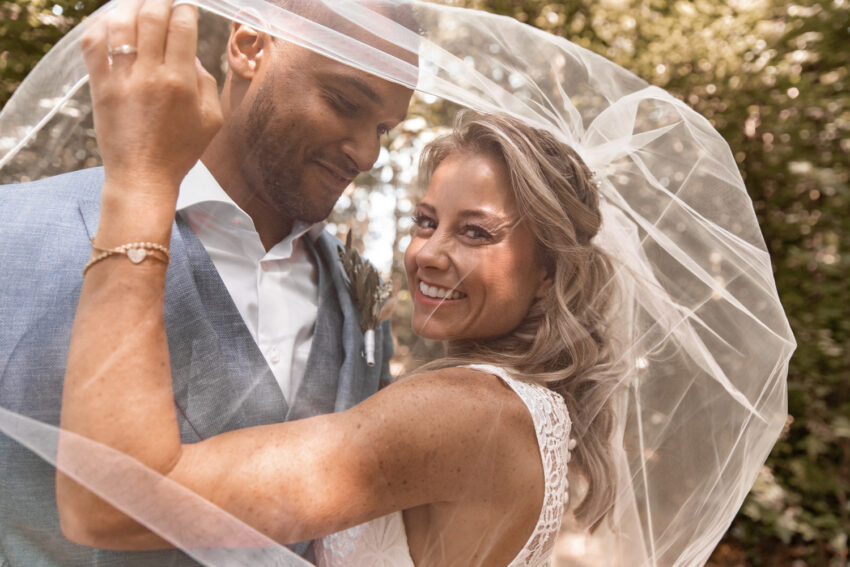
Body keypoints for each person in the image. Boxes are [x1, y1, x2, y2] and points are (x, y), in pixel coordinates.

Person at [53, 1, 623, 564]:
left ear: (548, 276)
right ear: (246, 46)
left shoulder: (467, 413)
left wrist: (143, 180)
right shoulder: (519, 411)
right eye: (426, 222)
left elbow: (112, 503)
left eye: (476, 233)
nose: (428, 253)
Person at [0, 0, 414, 564]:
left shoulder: (359, 301)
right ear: (249, 49)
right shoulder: (14, 231)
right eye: (344, 102)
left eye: (384, 129)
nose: (367, 153)